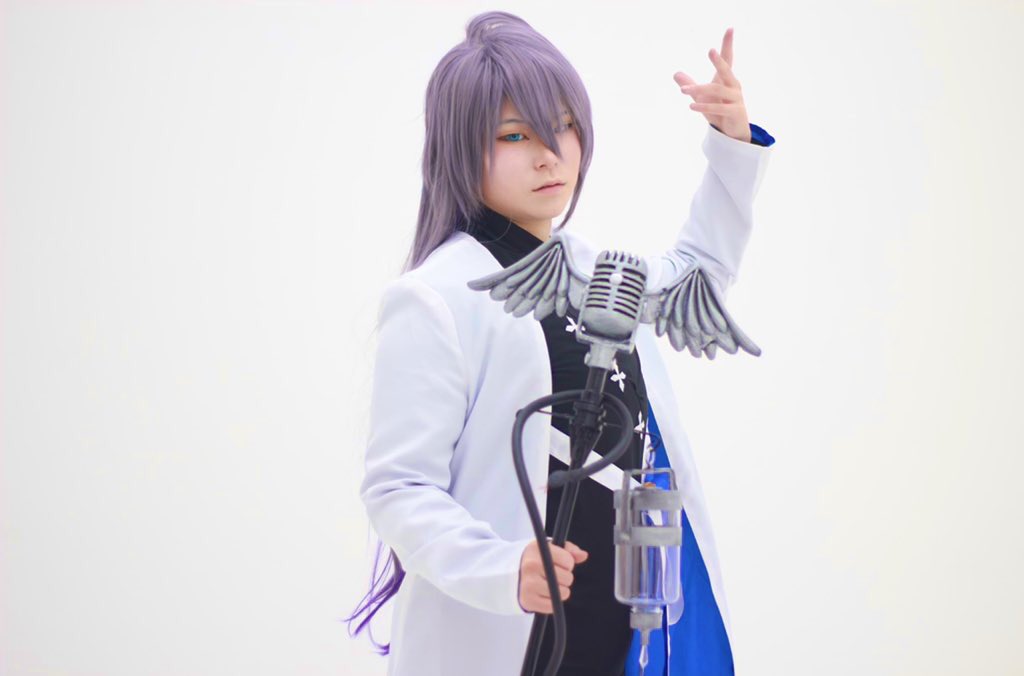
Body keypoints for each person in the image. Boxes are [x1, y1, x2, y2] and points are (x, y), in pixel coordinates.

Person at [344, 10, 775, 676]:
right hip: (515, 638)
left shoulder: (595, 270)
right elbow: (399, 488)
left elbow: (697, 279)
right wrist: (502, 568)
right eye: (515, 135)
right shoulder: (435, 297)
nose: (550, 154)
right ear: (460, 149)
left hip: (628, 630)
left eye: (565, 126)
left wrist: (731, 143)